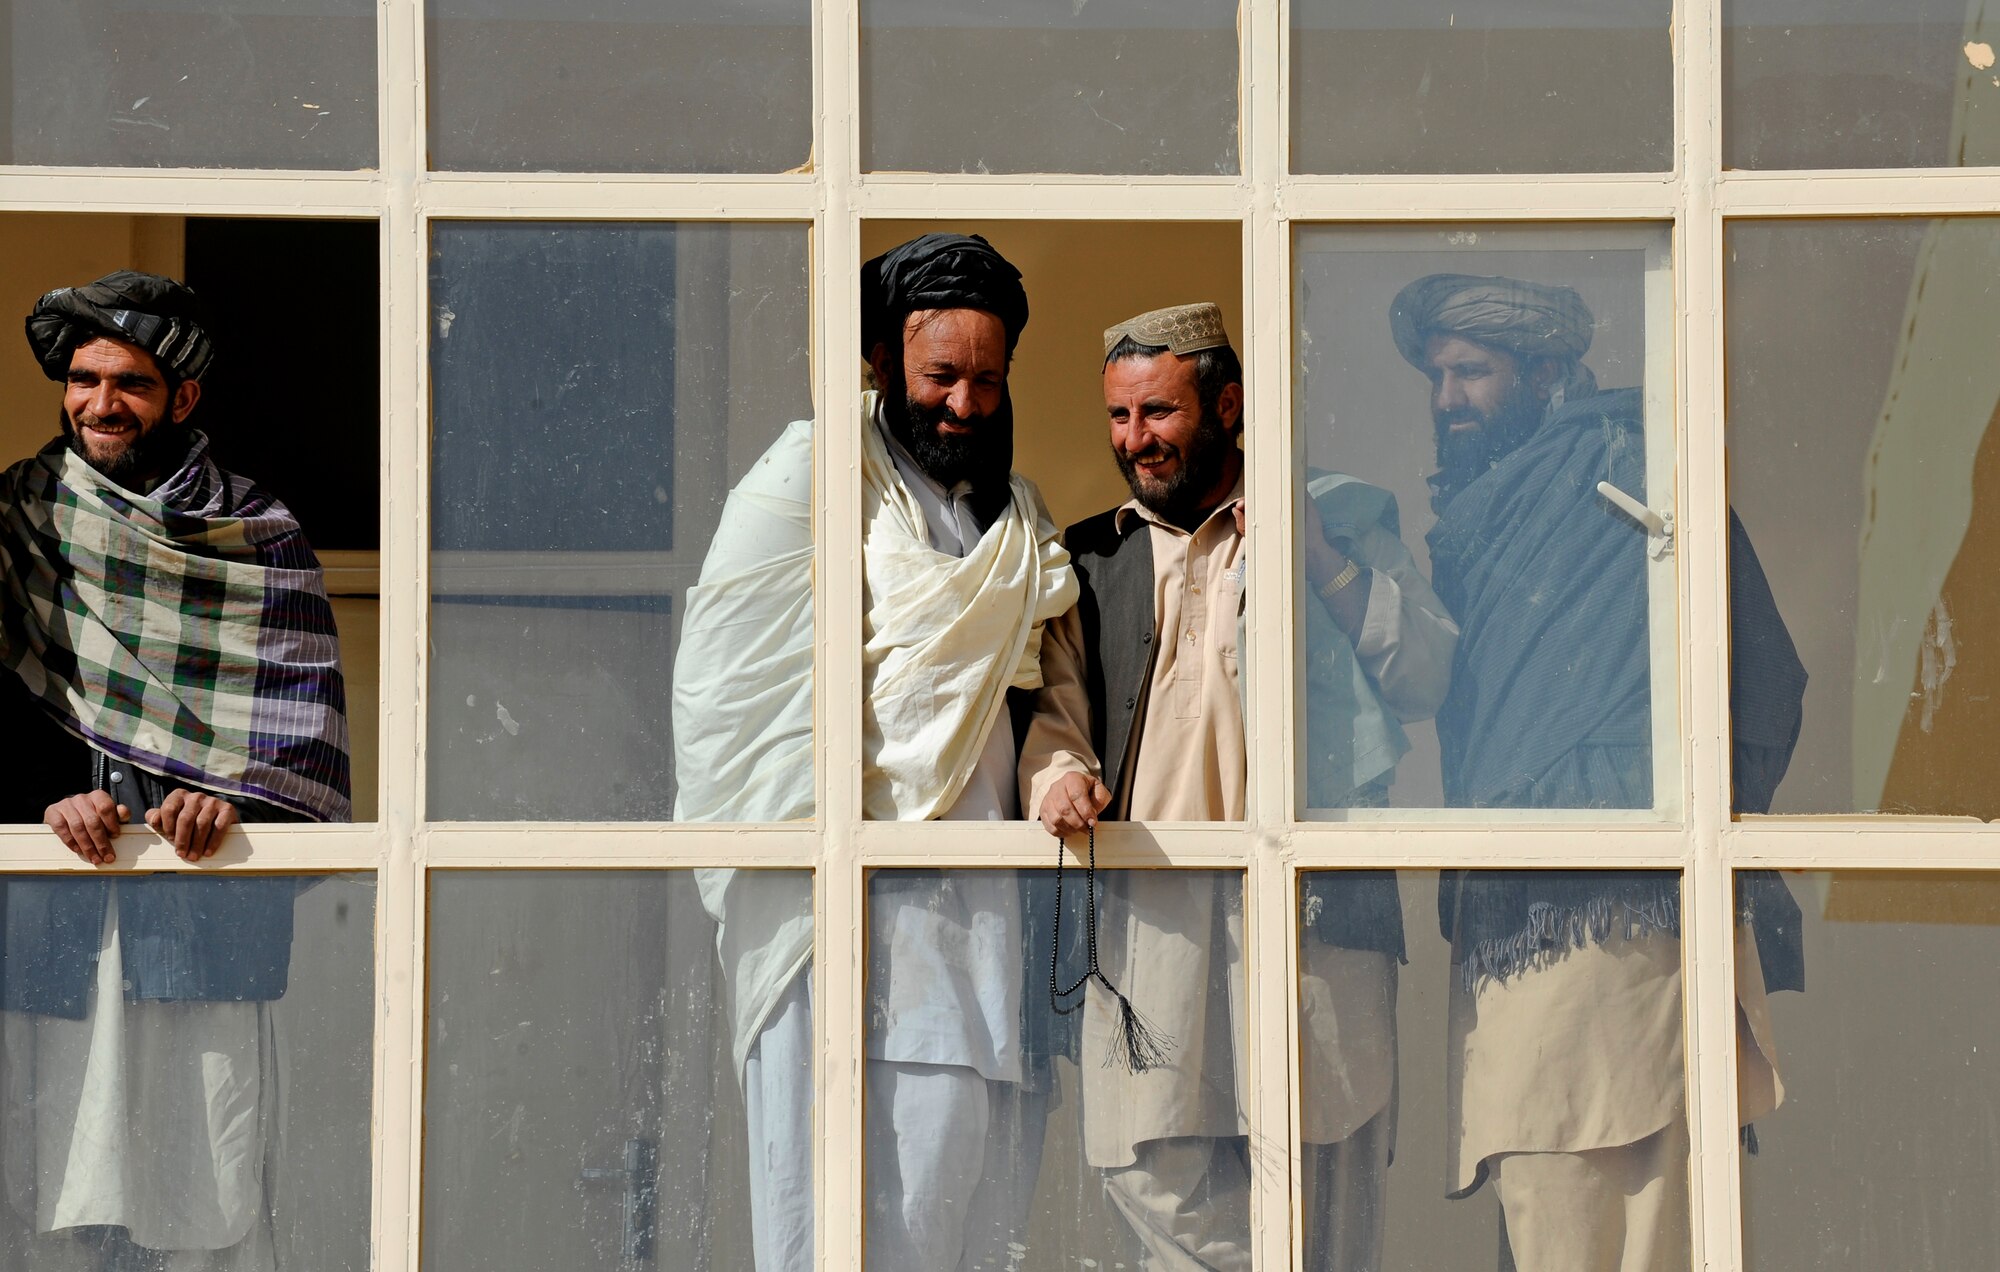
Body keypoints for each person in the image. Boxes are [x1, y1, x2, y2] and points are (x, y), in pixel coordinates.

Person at [1021, 303, 1457, 1271]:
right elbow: (1053, 711)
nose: (1134, 441)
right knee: (1145, 1163)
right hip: (1151, 916)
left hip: (1312, 922)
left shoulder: (1339, 517)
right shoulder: (1089, 560)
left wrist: (1316, 557)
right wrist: (1056, 776)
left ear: (1224, 404)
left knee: (1323, 1179)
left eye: (1158, 414)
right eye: (1119, 418)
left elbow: (1426, 675)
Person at [672, 233, 1076, 1272]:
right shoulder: (809, 482)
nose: (965, 405)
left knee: (961, 1219)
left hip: (982, 931)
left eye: (988, 380)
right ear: (881, 365)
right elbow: (725, 691)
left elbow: (1028, 702)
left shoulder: (1009, 517)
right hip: (840, 935)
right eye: (941, 376)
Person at [1390, 273, 1806, 1272]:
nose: (1446, 398)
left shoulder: (1640, 486)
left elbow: (1765, 682)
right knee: (1548, 1207)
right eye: (1435, 375)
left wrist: (1684, 826)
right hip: (1518, 914)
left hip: (1624, 921)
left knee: (1623, 1218)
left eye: (1470, 373)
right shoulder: (1486, 513)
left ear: (1544, 371)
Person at [0, 270, 352, 1270]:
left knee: (209, 1213)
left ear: (182, 397)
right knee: (48, 1217)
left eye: (130, 383)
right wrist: (42, 800)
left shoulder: (259, 538)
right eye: (83, 378)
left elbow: (296, 740)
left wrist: (230, 806)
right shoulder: (20, 519)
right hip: (49, 924)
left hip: (201, 926)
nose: (100, 404)